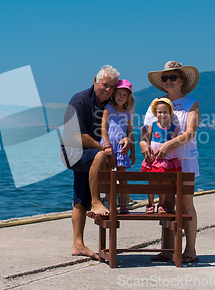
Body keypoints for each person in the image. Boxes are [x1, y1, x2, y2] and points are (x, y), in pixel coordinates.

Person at [61, 65, 132, 260]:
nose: (108, 90)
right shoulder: (80, 100)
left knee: (79, 198)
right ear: (95, 81)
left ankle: (78, 244)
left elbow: (119, 125)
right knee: (102, 157)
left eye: (111, 86)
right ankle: (96, 202)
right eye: (104, 85)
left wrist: (127, 139)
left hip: (92, 152)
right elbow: (78, 136)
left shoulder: (109, 103)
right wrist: (104, 149)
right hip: (72, 151)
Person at [140, 60, 200, 263]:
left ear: (182, 81)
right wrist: (143, 145)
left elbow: (190, 132)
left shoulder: (191, 103)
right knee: (165, 203)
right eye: (165, 78)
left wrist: (170, 145)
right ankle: (167, 250)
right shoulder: (155, 104)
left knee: (185, 204)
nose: (168, 80)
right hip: (160, 162)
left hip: (184, 158)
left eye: (172, 77)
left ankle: (190, 250)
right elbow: (145, 131)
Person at [100, 79, 136, 214]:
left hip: (122, 148)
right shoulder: (108, 108)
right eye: (119, 94)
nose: (121, 97)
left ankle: (124, 205)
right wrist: (106, 146)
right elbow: (103, 128)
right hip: (108, 147)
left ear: (128, 98)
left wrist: (133, 152)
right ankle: (111, 206)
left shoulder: (127, 113)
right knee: (108, 178)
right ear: (114, 94)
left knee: (123, 178)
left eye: (125, 95)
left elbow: (130, 133)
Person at [141, 97, 181, 214]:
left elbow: (174, 144)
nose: (162, 114)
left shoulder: (173, 128)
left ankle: (161, 204)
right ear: (155, 113)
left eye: (165, 112)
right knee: (152, 181)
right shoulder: (152, 125)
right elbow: (146, 140)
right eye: (159, 112)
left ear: (170, 114)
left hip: (165, 160)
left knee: (163, 182)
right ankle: (150, 204)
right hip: (153, 159)